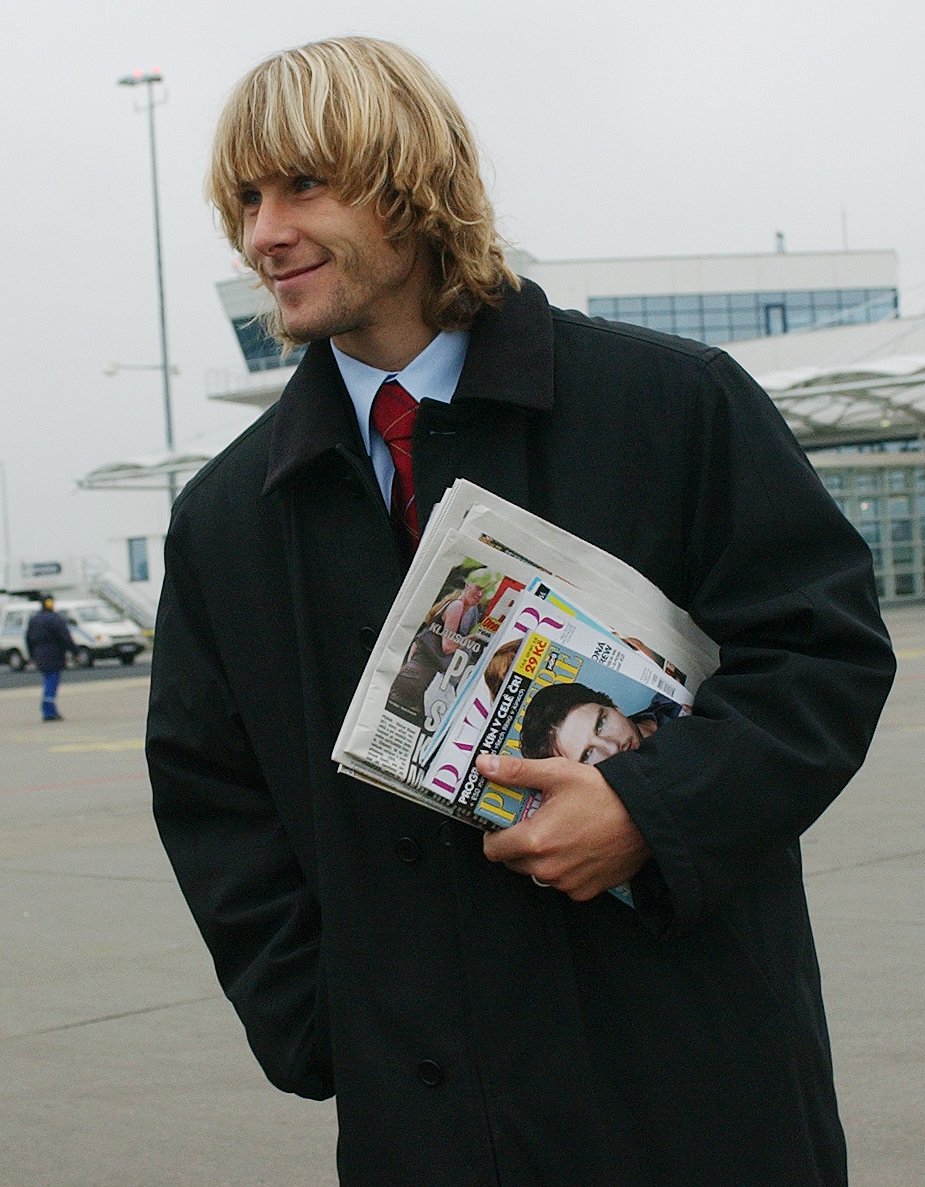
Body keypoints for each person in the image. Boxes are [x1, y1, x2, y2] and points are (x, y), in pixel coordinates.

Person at [145, 36, 896, 1187]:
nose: (262, 234)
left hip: (692, 1086)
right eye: (244, 199)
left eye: (303, 184)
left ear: (411, 181)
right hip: (429, 1125)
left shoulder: (672, 405)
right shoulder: (223, 522)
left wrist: (652, 804)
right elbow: (212, 797)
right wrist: (328, 1021)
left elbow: (823, 654)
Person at [387, 578, 484, 722]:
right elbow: (448, 647)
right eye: (478, 587)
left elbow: (417, 643)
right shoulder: (456, 606)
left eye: (483, 591)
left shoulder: (454, 606)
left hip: (418, 678)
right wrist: (474, 637)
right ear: (467, 584)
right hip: (416, 680)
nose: (480, 594)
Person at [519, 681, 687, 764]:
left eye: (601, 724)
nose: (612, 748)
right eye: (586, 756)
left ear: (614, 706)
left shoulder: (674, 698)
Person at [26, 595, 75, 721]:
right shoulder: (55, 619)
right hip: (54, 654)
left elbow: (28, 639)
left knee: (48, 679)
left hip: (39, 654)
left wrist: (32, 655)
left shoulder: (34, 619)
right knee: (52, 681)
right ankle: (48, 711)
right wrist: (75, 651)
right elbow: (65, 637)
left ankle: (49, 710)